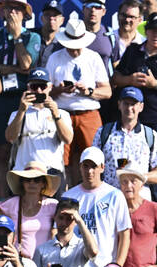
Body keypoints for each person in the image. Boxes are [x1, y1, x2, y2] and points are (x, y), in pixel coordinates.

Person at [113, 10, 157, 207]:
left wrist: (156, 84)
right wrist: (130, 80)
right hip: (132, 116)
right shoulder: (133, 51)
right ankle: (127, 203)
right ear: (147, 31)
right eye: (153, 31)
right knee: (128, 160)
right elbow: (116, 79)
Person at [47, 14, 112, 188]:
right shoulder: (55, 58)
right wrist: (59, 89)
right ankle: (62, 197)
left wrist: (89, 91)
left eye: (78, 46)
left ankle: (91, 193)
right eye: (71, 47)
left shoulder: (93, 57)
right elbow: (45, 92)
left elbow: (107, 91)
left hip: (88, 112)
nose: (75, 50)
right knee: (60, 160)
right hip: (61, 113)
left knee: (93, 158)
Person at [0, 0, 41, 200]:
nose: (12, 13)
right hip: (0, 99)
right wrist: (16, 69)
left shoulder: (31, 36)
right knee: (1, 152)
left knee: (23, 151)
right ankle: (2, 201)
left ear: (24, 14)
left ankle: (23, 199)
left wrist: (17, 36)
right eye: (8, 8)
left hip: (23, 98)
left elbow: (27, 64)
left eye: (16, 9)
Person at [63, 147, 132, 267]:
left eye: (94, 166)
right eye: (85, 166)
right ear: (80, 167)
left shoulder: (114, 195)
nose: (89, 171)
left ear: (102, 167)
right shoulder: (68, 196)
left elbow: (124, 234)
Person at [0, 161, 59, 262]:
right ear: (22, 182)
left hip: (45, 262)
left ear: (43, 183)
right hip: (17, 262)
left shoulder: (52, 205)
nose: (32, 183)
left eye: (37, 180)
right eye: (28, 179)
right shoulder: (11, 204)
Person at [5, 67, 73, 176]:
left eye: (43, 86)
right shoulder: (17, 113)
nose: (39, 91)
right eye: (34, 87)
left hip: (51, 171)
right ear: (28, 88)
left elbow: (68, 139)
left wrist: (55, 114)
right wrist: (22, 110)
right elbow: (10, 138)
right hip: (24, 172)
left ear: (50, 87)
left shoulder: (62, 113)